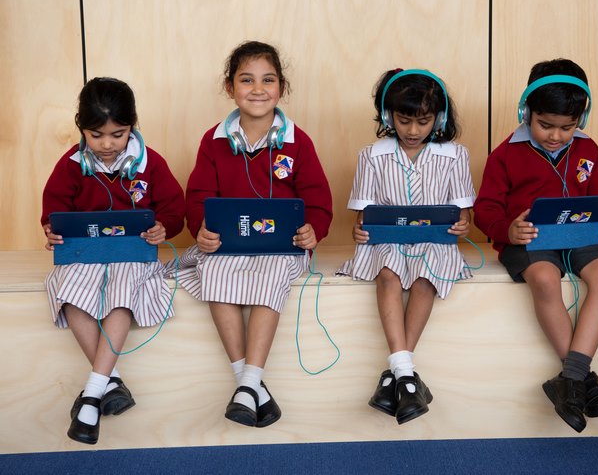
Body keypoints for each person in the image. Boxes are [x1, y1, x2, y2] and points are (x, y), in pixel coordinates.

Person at [175, 41, 332, 428]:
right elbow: (197, 197)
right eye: (246, 80)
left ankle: (247, 383)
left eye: (268, 80)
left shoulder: (299, 142)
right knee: (211, 271)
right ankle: (250, 386)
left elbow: (317, 199)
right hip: (228, 245)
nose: (258, 89)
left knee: (271, 275)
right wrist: (202, 230)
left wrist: (314, 229)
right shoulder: (213, 142)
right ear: (230, 88)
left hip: (283, 247)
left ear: (281, 87)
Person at [473, 59, 598, 433]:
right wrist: (507, 230)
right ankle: (582, 378)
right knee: (543, 277)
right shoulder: (505, 153)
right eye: (545, 125)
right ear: (526, 112)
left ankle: (569, 380)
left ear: (581, 121)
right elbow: (485, 209)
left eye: (567, 128)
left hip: (579, 237)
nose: (556, 136)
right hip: (530, 241)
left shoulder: (589, 149)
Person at [41, 77, 186, 444]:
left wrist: (162, 228)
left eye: (118, 134)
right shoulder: (71, 164)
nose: (107, 145)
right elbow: (54, 208)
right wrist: (51, 229)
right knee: (69, 290)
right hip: (85, 255)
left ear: (132, 126)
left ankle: (91, 393)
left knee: (122, 292)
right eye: (97, 135)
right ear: (81, 128)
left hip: (132, 256)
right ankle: (111, 381)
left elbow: (173, 209)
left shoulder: (150, 163)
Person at [337, 69, 475, 424]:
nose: (413, 131)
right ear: (388, 117)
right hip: (388, 243)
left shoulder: (455, 155)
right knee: (388, 276)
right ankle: (406, 376)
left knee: (426, 278)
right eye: (404, 120)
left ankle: (397, 373)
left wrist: (462, 224)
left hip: (435, 243)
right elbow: (363, 218)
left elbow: (463, 215)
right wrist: (359, 232)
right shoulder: (372, 156)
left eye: (424, 121)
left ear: (439, 119)